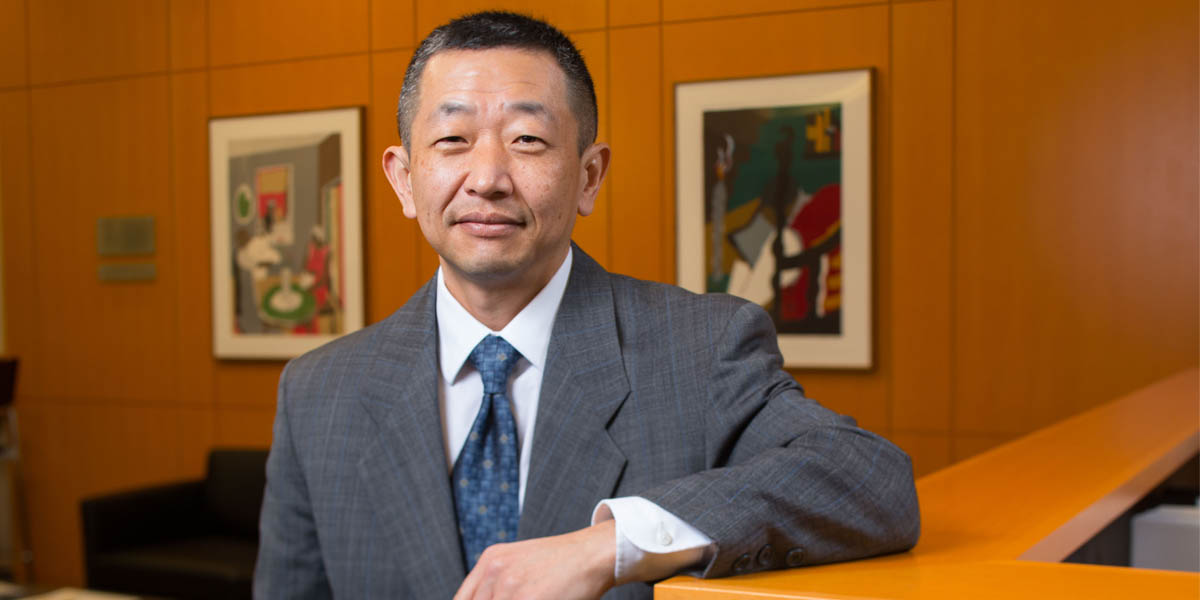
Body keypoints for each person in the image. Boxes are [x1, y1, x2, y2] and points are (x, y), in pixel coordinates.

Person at [254, 11, 919, 600]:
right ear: (404, 178)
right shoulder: (319, 393)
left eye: (527, 140)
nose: (486, 178)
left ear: (589, 176)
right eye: (452, 141)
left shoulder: (700, 346)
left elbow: (871, 482)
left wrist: (613, 545)